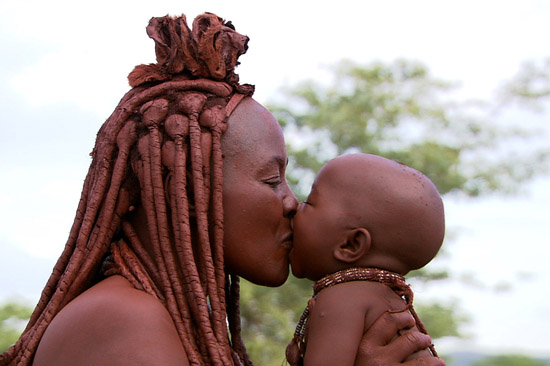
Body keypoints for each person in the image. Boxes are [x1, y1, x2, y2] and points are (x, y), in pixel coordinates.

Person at [0, 13, 444, 366]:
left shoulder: (170, 318)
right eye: (272, 180)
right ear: (189, 191)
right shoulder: (124, 319)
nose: (290, 203)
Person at [286, 153, 445, 366]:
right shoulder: (388, 300)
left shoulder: (340, 299)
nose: (293, 208)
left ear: (350, 245)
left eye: (308, 203)